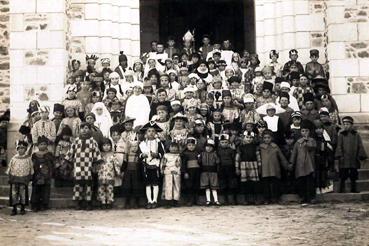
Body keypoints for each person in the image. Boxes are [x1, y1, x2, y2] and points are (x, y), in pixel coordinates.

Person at [65, 122, 103, 210]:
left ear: (90, 130)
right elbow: (70, 152)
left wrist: (96, 164)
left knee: (88, 185)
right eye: (82, 128)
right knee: (78, 184)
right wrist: (68, 161)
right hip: (78, 166)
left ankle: (88, 202)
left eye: (86, 128)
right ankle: (78, 202)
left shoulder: (93, 141)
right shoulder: (76, 140)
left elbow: (97, 153)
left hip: (88, 166)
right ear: (79, 130)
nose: (84, 130)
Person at [335, 116, 367, 193]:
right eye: (344, 124)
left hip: (353, 157)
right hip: (344, 158)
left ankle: (354, 188)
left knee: (353, 174)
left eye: (348, 124)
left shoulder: (356, 135)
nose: (346, 126)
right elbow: (339, 145)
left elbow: (360, 145)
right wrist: (339, 155)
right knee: (343, 174)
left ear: (352, 125)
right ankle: (341, 188)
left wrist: (361, 155)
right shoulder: (341, 135)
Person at [139, 121, 165, 209]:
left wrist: (157, 155)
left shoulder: (158, 143)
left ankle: (155, 200)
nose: (151, 133)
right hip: (146, 165)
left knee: (155, 183)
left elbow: (162, 153)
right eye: (149, 131)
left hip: (156, 165)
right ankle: (149, 200)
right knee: (148, 184)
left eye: (153, 131)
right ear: (146, 133)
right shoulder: (143, 143)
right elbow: (139, 154)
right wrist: (142, 155)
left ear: (156, 133)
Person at [290, 120, 317, 204]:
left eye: (306, 131)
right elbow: (294, 153)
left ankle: (311, 197)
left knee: (310, 182)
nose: (305, 133)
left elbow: (312, 148)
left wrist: (306, 142)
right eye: (303, 131)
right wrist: (291, 163)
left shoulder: (312, 141)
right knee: (301, 182)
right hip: (300, 166)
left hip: (309, 165)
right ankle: (302, 197)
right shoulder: (298, 142)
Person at [259, 130, 289, 204]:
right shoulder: (260, 147)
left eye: (268, 138)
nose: (267, 139)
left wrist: (287, 166)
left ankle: (275, 198)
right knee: (265, 186)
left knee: (275, 185)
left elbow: (281, 157)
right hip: (264, 170)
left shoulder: (275, 146)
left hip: (274, 169)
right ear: (262, 139)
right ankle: (266, 199)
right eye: (265, 138)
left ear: (272, 138)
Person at [6, 140, 33, 216]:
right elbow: (10, 168)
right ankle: (14, 209)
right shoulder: (14, 158)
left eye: (23, 148)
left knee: (23, 194)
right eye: (19, 148)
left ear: (25, 149)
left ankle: (22, 208)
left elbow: (31, 168)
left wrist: (30, 176)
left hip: (24, 179)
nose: (21, 150)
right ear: (17, 149)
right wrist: (10, 177)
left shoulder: (28, 159)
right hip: (14, 179)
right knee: (14, 194)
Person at [236, 131, 262, 205]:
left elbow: (258, 157)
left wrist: (259, 166)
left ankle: (256, 199)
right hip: (244, 165)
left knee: (254, 183)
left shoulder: (255, 147)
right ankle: (245, 199)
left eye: (251, 137)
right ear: (243, 138)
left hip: (253, 165)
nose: (249, 139)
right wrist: (237, 168)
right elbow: (237, 158)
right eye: (247, 137)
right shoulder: (240, 147)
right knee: (244, 183)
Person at [31, 136, 54, 212]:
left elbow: (52, 164)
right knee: (36, 190)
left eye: (44, 144)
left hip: (46, 176)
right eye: (41, 144)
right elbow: (32, 165)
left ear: (47, 145)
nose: (43, 146)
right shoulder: (34, 155)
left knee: (45, 191)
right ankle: (35, 205)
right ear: (37, 145)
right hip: (37, 176)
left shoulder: (49, 154)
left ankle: (44, 205)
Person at [121, 139, 144, 209]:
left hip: (136, 173)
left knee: (136, 187)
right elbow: (124, 164)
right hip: (128, 173)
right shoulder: (126, 155)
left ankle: (137, 202)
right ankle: (127, 202)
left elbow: (140, 165)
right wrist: (122, 171)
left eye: (135, 146)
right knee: (127, 187)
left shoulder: (139, 155)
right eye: (132, 147)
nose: (134, 148)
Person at [98, 138, 119, 209]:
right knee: (101, 189)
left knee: (110, 189)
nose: (106, 147)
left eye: (108, 145)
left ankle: (109, 201)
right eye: (104, 145)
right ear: (101, 146)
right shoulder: (99, 155)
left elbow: (116, 164)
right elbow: (96, 164)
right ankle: (103, 201)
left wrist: (117, 172)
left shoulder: (113, 155)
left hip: (110, 175)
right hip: (101, 175)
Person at [217, 134, 238, 205]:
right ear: (220, 143)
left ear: (228, 142)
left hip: (230, 168)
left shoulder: (231, 150)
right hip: (222, 168)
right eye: (222, 142)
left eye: (226, 142)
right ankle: (225, 200)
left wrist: (235, 168)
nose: (224, 144)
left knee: (231, 184)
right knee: (223, 184)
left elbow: (234, 158)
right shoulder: (218, 151)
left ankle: (232, 199)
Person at [199, 139, 221, 206]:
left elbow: (218, 162)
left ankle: (216, 200)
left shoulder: (214, 154)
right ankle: (208, 200)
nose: (209, 148)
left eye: (211, 147)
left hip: (213, 172)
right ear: (205, 147)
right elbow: (199, 162)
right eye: (207, 146)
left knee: (214, 187)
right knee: (207, 187)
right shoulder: (202, 154)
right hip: (204, 172)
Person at [181, 137, 201, 206]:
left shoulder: (197, 153)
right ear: (187, 146)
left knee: (196, 185)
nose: (191, 147)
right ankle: (190, 200)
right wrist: (185, 172)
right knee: (189, 186)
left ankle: (196, 200)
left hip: (197, 171)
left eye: (193, 145)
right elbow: (183, 164)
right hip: (189, 172)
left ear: (195, 146)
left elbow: (200, 162)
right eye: (189, 145)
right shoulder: (185, 154)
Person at [161, 142, 182, 207]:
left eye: (175, 147)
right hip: (168, 172)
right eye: (172, 147)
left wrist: (177, 170)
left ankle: (175, 201)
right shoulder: (166, 155)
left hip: (175, 172)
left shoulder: (178, 156)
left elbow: (179, 165)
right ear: (169, 148)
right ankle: (168, 202)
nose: (173, 149)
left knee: (176, 186)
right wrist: (163, 170)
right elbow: (163, 164)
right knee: (168, 186)